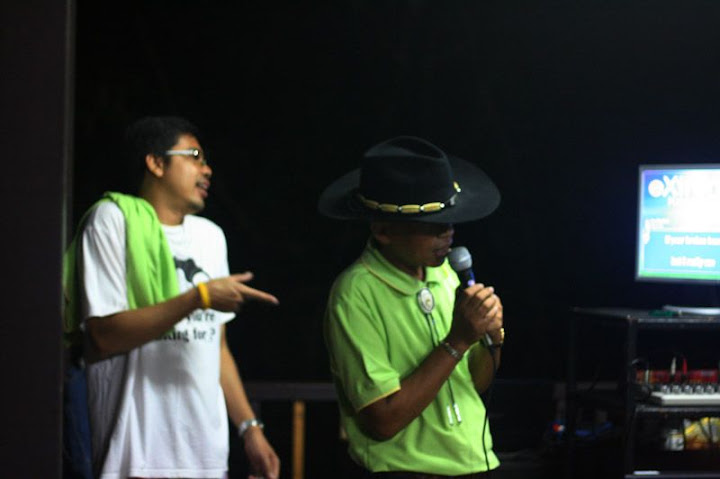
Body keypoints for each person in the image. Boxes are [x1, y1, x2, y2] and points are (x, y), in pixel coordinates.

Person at [63, 116, 281, 479]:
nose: (206, 169)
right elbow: (102, 335)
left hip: (205, 454)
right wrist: (197, 297)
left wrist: (250, 429)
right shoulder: (112, 220)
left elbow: (217, 347)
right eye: (194, 156)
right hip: (133, 455)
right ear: (156, 163)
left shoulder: (211, 237)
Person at [318, 136, 505, 478]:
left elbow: (474, 384)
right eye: (433, 225)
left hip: (474, 465)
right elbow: (383, 420)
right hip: (406, 471)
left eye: (450, 221)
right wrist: (458, 341)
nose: (448, 233)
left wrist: (492, 337)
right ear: (383, 230)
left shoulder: (446, 274)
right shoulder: (355, 293)